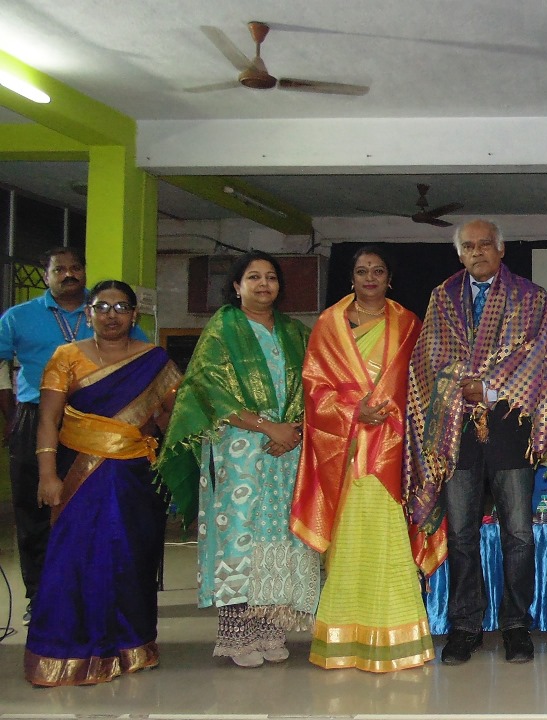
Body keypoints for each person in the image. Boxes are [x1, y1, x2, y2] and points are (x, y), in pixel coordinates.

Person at [404, 220, 547, 665]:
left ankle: (517, 626)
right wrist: (463, 383)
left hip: (508, 427)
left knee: (518, 534)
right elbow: (427, 359)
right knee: (461, 534)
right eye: (469, 246)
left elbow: (544, 357)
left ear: (501, 251)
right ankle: (466, 626)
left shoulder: (530, 297)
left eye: (485, 245)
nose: (477, 252)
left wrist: (492, 387)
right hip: (454, 432)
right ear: (459, 254)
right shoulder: (442, 298)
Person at [157, 250, 322, 669]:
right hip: (239, 447)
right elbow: (209, 390)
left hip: (289, 450)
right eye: (253, 277)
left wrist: (294, 431)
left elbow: (314, 385)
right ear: (236, 286)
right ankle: (237, 636)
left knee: (282, 534)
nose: (263, 284)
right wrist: (269, 427)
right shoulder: (222, 328)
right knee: (241, 534)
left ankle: (271, 628)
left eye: (270, 277)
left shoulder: (295, 331)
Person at [22, 281, 181, 687]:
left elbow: (170, 415)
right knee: (73, 560)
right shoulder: (67, 357)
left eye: (121, 307)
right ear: (88, 313)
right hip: (78, 473)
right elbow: (47, 420)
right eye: (102, 306)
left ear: (134, 315)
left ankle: (132, 647)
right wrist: (47, 474)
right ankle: (65, 653)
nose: (111, 314)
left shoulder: (155, 360)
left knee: (132, 560)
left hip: (135, 479)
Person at [291, 245, 433, 672]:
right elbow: (314, 387)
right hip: (347, 452)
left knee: (389, 543)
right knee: (351, 543)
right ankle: (342, 638)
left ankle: (399, 637)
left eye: (378, 271)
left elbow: (422, 382)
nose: (369, 277)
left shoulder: (408, 323)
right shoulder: (328, 325)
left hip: (392, 449)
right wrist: (355, 412)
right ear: (350, 279)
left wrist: (388, 413)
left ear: (389, 278)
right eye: (361, 271)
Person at [0, 248, 145, 625]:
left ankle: (96, 592)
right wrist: (9, 410)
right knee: (36, 510)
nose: (68, 274)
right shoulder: (19, 317)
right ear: (46, 275)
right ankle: (40, 595)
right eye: (58, 269)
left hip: (100, 425)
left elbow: (141, 366)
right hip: (37, 418)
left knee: (94, 512)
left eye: (75, 268)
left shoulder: (107, 310)